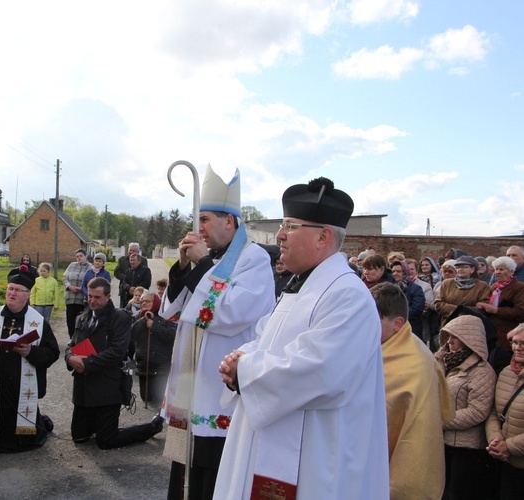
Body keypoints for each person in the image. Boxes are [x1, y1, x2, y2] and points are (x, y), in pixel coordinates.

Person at [216, 177, 389, 499]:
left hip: (316, 457)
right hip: (269, 443)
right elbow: (268, 340)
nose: (279, 235)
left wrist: (245, 370)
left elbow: (322, 370)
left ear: (323, 236)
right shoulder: (302, 286)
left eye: (290, 226)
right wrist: (239, 357)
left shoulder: (347, 295)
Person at [159, 165, 275, 499]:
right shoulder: (206, 258)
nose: (200, 228)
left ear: (230, 221)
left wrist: (204, 266)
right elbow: (173, 310)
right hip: (190, 385)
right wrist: (182, 267)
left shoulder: (254, 260)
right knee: (183, 472)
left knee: (211, 479)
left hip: (217, 391)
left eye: (205, 219)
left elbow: (227, 313)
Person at [371, 282, 454, 500]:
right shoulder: (376, 346)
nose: (363, 325)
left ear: (398, 323)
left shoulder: (415, 363)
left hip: (397, 462)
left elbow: (417, 427)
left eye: (372, 319)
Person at [65, 277, 163, 449]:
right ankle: (96, 422)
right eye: (90, 296)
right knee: (79, 437)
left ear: (108, 297)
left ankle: (151, 427)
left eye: (97, 297)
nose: (92, 301)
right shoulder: (81, 317)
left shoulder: (120, 318)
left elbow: (117, 353)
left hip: (107, 387)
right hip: (84, 387)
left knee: (106, 440)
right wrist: (69, 358)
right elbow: (72, 345)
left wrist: (86, 363)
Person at [0, 265, 59, 453]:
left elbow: (53, 353)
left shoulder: (38, 321)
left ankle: (27, 436)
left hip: (22, 383)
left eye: (18, 290)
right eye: (10, 288)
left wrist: (30, 352)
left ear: (27, 294)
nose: (12, 293)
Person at [434, 315, 496, 500]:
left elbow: (478, 411)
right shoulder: (441, 362)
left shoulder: (482, 371)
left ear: (470, 340)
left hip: (465, 448)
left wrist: (440, 420)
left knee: (457, 494)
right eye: (448, 336)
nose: (450, 342)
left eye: (456, 337)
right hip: (441, 442)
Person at [486, 323, 524, 498]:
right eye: (514, 343)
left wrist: (508, 446)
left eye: (523, 343)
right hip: (505, 462)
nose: (517, 348)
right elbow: (494, 412)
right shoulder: (506, 373)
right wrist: (495, 441)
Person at [477, 256, 524, 370]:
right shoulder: (494, 287)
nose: (498, 272)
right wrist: (482, 307)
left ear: (511, 271)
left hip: (508, 336)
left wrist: (496, 310)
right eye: (496, 269)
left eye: (502, 269)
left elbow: (520, 312)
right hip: (494, 335)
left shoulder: (519, 288)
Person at [131, 291, 176, 407]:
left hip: (161, 366)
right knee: (146, 398)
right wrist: (143, 320)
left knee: (160, 400)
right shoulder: (137, 318)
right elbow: (132, 335)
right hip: (144, 366)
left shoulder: (166, 317)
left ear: (155, 302)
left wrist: (154, 325)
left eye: (147, 301)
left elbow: (172, 336)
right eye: (142, 301)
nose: (144, 303)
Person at [435, 256, 491, 326]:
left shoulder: (482, 286)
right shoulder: (447, 283)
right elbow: (438, 304)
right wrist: (460, 310)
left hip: (471, 325)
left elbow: (482, 308)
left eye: (465, 267)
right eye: (458, 267)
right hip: (449, 323)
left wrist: (460, 310)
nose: (461, 269)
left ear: (472, 269)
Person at [391, 259, 426, 338]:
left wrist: (397, 315)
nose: (395, 274)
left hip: (411, 330)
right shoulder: (391, 288)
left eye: (398, 271)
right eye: (393, 271)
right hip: (394, 330)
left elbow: (417, 309)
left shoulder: (416, 289)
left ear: (405, 272)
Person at [63, 249, 90, 338]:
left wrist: (81, 289)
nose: (79, 258)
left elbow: (90, 281)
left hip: (82, 299)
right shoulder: (71, 265)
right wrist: (69, 286)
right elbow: (65, 277)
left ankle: (79, 339)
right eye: (77, 256)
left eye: (81, 256)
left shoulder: (90, 267)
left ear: (86, 256)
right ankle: (71, 338)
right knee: (70, 319)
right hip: (70, 298)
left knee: (81, 320)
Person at [115, 243, 148, 307]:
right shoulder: (122, 259)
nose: (131, 252)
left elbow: (145, 276)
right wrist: (127, 279)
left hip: (139, 292)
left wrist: (135, 288)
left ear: (138, 252)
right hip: (125, 290)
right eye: (130, 250)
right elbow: (117, 272)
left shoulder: (143, 260)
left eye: (134, 250)